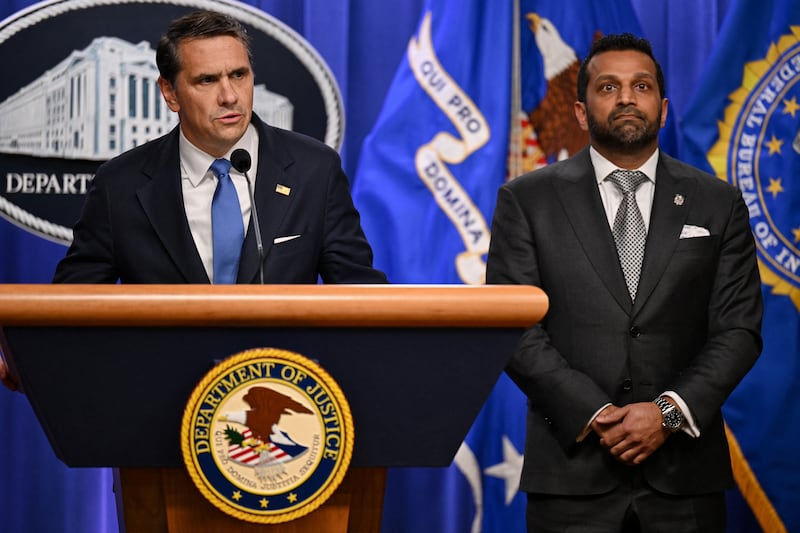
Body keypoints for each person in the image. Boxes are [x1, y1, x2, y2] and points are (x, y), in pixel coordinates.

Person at [486, 33, 763, 532]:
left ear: (663, 108)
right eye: (608, 87)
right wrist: (596, 415)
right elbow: (515, 328)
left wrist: (667, 414)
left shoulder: (717, 202)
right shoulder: (527, 201)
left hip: (685, 480)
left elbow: (738, 330)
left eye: (642, 86)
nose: (627, 98)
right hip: (571, 478)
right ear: (579, 110)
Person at [52, 10, 386, 286]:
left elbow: (360, 294)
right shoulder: (119, 185)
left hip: (276, 366)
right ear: (170, 93)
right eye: (207, 80)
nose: (229, 96)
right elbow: (72, 308)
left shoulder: (314, 170)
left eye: (239, 75)